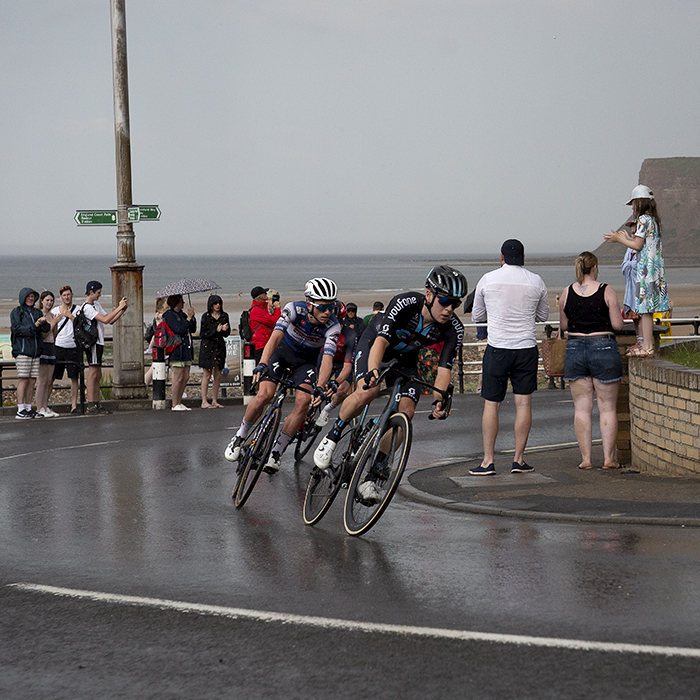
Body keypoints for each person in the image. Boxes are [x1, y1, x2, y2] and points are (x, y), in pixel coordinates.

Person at [313, 266, 467, 503]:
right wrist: (373, 370)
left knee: (406, 413)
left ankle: (373, 477)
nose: (449, 309)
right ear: (429, 295)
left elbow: (444, 369)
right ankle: (332, 438)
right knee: (368, 390)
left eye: (455, 304)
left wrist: (439, 400)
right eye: (445, 301)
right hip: (375, 343)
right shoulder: (406, 302)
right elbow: (381, 342)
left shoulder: (453, 329)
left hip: (406, 359)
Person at [225, 278, 341, 474]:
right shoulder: (294, 309)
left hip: (306, 363)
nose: (328, 311)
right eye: (323, 307)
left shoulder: (333, 325)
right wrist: (263, 363)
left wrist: (320, 386)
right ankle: (240, 435)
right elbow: (275, 336)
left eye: (331, 306)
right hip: (282, 353)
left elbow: (328, 358)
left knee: (304, 401)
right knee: (265, 395)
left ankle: (276, 452)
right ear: (310, 304)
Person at [469, 240, 549, 475]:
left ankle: (488, 462)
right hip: (525, 347)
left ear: (501, 257)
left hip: (498, 348)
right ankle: (519, 460)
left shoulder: (488, 279)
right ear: (523, 256)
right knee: (523, 403)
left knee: (492, 404)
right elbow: (543, 316)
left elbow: (477, 315)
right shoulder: (536, 280)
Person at [559, 252, 624, 469]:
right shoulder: (606, 290)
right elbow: (617, 324)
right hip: (603, 346)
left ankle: (586, 459)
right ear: (594, 267)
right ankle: (608, 459)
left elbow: (565, 326)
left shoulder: (567, 292)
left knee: (581, 408)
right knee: (607, 408)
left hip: (575, 348)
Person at [604, 184, 670, 357]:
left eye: (633, 203)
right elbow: (641, 242)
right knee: (647, 309)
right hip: (655, 269)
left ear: (639, 203)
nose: (632, 207)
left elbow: (637, 245)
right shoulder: (653, 220)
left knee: (646, 310)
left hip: (646, 269)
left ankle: (647, 347)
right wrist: (626, 238)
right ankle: (648, 346)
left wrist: (619, 239)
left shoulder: (643, 220)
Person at [81, 281, 128, 415]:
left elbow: (110, 320)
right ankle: (91, 405)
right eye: (98, 292)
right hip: (93, 343)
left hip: (99, 342)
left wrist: (122, 310)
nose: (100, 295)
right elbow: (105, 319)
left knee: (98, 374)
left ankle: (96, 403)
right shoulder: (87, 308)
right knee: (93, 373)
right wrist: (119, 307)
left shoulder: (96, 305)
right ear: (91, 292)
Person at [314, 301, 357, 427]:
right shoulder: (321, 329)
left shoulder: (350, 335)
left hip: (342, 362)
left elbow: (348, 366)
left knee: (341, 391)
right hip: (325, 359)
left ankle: (327, 410)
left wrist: (337, 382)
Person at [10, 287, 50, 419]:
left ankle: (28, 407)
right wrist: (35, 325)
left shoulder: (37, 312)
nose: (31, 299)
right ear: (23, 298)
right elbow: (17, 330)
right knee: (23, 380)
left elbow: (46, 328)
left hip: (35, 351)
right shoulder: (17, 312)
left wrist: (43, 323)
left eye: (32, 297)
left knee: (32, 380)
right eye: (28, 296)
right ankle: (20, 409)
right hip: (22, 351)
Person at [163, 294, 196, 411]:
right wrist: (188, 319)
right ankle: (174, 403)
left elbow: (192, 329)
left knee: (185, 377)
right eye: (181, 301)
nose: (183, 303)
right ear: (176, 302)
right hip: (176, 349)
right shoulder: (169, 316)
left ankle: (179, 402)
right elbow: (179, 329)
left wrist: (192, 318)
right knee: (178, 377)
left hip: (186, 349)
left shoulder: (182, 315)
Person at [51, 285, 81, 414]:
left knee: (74, 378)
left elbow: (82, 326)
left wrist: (71, 316)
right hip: (58, 346)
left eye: (68, 294)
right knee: (52, 377)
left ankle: (74, 405)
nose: (67, 297)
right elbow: (51, 330)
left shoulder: (78, 309)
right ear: (60, 297)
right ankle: (44, 404)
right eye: (64, 295)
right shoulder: (55, 310)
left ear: (72, 295)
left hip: (73, 347)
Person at [198, 294, 230, 408]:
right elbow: (203, 334)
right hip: (208, 346)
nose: (218, 305)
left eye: (219, 303)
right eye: (215, 303)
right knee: (207, 374)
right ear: (211, 305)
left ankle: (215, 400)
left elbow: (227, 334)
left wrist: (224, 330)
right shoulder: (206, 316)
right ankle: (204, 401)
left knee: (218, 375)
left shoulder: (224, 316)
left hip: (219, 346)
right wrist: (216, 330)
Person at [35, 291, 62, 417]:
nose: (49, 302)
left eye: (51, 300)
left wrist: (55, 323)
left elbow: (54, 335)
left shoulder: (52, 315)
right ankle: (39, 408)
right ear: (41, 301)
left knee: (48, 380)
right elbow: (44, 334)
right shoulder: (39, 314)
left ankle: (45, 407)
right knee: (42, 380)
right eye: (47, 300)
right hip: (42, 348)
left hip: (51, 347)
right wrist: (53, 324)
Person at [249, 286, 281, 363]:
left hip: (267, 343)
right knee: (263, 367)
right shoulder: (256, 310)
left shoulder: (263, 307)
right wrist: (277, 308)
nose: (266, 294)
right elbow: (275, 321)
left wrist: (271, 305)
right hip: (260, 345)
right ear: (260, 296)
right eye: (264, 293)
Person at [621, 242, 643, 352]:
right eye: (632, 233)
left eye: (636, 232)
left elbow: (640, 265)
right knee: (634, 317)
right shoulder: (629, 249)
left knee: (642, 316)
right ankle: (638, 340)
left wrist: (630, 264)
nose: (634, 235)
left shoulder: (643, 247)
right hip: (630, 289)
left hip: (640, 289)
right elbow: (624, 266)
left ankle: (644, 341)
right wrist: (630, 264)